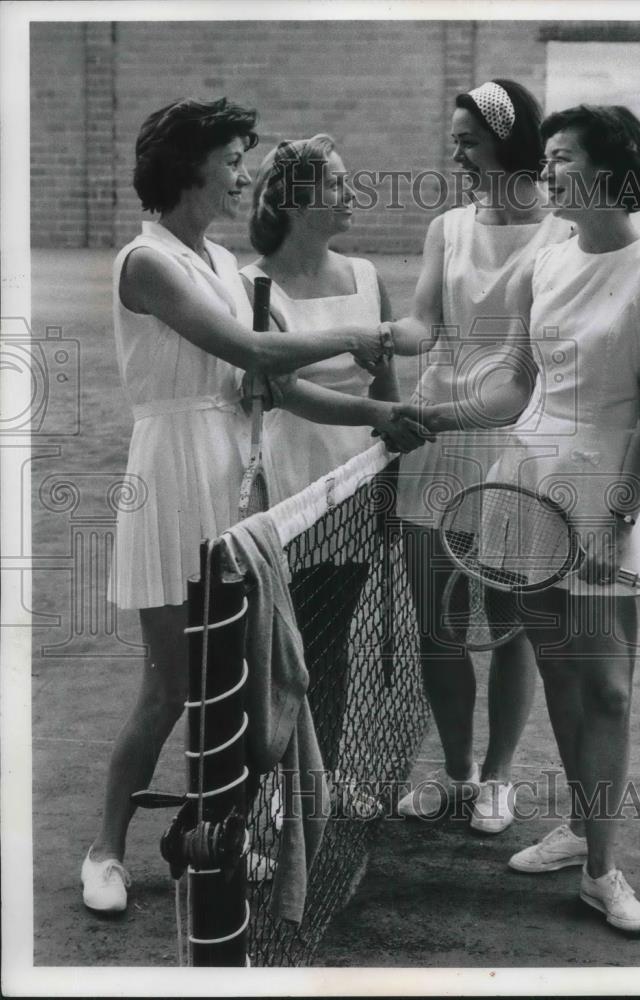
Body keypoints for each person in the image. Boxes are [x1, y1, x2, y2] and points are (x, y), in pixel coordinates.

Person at [82, 98, 392, 913]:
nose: (244, 175)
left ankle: (222, 828)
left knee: (244, 679)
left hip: (239, 487)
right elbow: (250, 350)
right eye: (232, 160)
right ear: (191, 166)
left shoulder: (220, 262)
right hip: (170, 475)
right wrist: (363, 339)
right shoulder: (145, 263)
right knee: (171, 687)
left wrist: (378, 414)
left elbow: (275, 384)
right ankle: (104, 851)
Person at [404, 104, 640, 932]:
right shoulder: (545, 266)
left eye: (561, 158)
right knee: (564, 676)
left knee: (605, 688)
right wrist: (434, 416)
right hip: (527, 486)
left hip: (608, 492)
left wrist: (617, 524)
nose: (547, 168)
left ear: (605, 170)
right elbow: (515, 390)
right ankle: (578, 830)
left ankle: (604, 870)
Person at [382, 80, 573, 834]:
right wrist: (363, 332)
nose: (454, 152)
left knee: (512, 619)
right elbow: (422, 323)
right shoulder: (447, 228)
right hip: (434, 439)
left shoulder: (561, 235)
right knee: (439, 622)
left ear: (506, 140)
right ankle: (457, 773)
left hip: (514, 438)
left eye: (467, 139)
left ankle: (498, 780)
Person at [238, 135, 427, 791]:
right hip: (286, 483)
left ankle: (321, 784)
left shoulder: (368, 276)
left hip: (355, 479)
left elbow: (384, 382)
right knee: (274, 656)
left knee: (329, 643)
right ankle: (266, 807)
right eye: (337, 184)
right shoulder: (251, 286)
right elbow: (284, 389)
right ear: (296, 201)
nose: (352, 195)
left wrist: (388, 471)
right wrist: (381, 420)